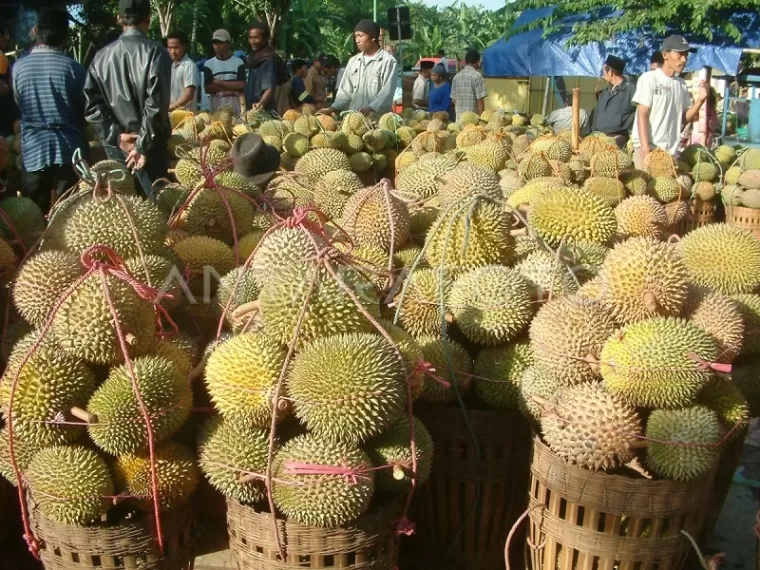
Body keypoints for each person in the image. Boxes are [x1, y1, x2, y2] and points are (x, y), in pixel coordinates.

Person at [84, 0, 171, 195]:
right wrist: (142, 144)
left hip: (117, 147)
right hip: (151, 147)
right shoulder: (156, 52)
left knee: (122, 211)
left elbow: (92, 106)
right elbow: (156, 104)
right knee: (155, 211)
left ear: (118, 19)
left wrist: (118, 136)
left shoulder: (100, 57)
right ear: (148, 19)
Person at [13, 8, 86, 213]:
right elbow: (83, 110)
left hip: (34, 149)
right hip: (69, 150)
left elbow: (20, 103)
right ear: (65, 35)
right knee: (69, 214)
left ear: (37, 31)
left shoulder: (19, 67)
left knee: (32, 215)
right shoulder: (73, 68)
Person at [631, 35, 708, 167]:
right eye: (680, 54)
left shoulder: (681, 85)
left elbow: (683, 120)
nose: (684, 59)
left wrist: (700, 100)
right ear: (665, 55)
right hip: (649, 149)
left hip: (669, 153)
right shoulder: (649, 79)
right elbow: (642, 113)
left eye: (686, 55)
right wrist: (645, 148)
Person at [322, 19, 398, 116]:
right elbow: (345, 91)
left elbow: (387, 93)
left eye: (360, 36)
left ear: (373, 37)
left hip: (378, 120)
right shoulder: (353, 62)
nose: (357, 40)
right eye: (355, 36)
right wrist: (332, 108)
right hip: (354, 119)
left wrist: (370, 108)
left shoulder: (388, 61)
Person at [591, 55, 635, 147]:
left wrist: (624, 123)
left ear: (610, 72)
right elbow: (597, 113)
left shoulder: (630, 89)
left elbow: (640, 110)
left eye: (604, 71)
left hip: (618, 139)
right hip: (599, 139)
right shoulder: (606, 91)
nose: (603, 75)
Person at [246, 22, 287, 113]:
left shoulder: (268, 60)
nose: (252, 41)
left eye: (256, 38)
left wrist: (261, 104)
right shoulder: (254, 57)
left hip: (263, 111)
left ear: (264, 39)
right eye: (250, 38)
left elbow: (270, 88)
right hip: (252, 107)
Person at [204, 29, 246, 114]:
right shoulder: (208, 64)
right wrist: (233, 86)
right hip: (216, 107)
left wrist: (218, 82)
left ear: (228, 44)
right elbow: (208, 88)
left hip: (235, 106)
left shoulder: (238, 62)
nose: (218, 45)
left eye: (221, 42)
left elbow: (242, 85)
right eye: (215, 43)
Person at [451, 49, 487, 123]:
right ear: (477, 62)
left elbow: (454, 100)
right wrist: (482, 120)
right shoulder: (477, 76)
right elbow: (479, 100)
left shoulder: (456, 77)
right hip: (472, 123)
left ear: (466, 61)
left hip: (459, 121)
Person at [167, 31, 199, 112]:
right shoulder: (172, 66)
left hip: (186, 118)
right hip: (173, 117)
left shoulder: (189, 66)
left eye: (176, 47)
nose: (172, 51)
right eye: (170, 48)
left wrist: (170, 108)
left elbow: (189, 95)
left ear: (184, 46)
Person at [0, 21, 19, 138]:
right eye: (5, 34)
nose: (7, 37)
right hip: (5, 122)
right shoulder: (1, 58)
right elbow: (3, 86)